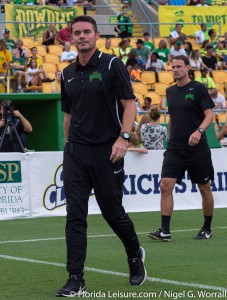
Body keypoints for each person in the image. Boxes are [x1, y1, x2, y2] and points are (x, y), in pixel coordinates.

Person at [56, 15, 146, 297]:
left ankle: (134, 253)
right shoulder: (68, 73)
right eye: (77, 32)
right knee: (75, 215)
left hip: (108, 151)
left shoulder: (111, 64)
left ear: (96, 35)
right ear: (71, 37)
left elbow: (130, 105)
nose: (81, 36)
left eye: (87, 32)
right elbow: (68, 114)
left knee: (113, 213)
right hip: (76, 153)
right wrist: (68, 146)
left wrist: (124, 137)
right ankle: (75, 278)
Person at [148, 55, 215, 241]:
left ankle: (207, 228)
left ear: (187, 68)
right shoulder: (169, 91)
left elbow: (209, 115)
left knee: (204, 188)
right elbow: (172, 119)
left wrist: (199, 131)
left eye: (178, 66)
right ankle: (164, 230)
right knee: (165, 185)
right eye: (173, 67)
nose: (175, 69)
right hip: (175, 147)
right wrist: (169, 141)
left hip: (197, 147)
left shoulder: (198, 88)